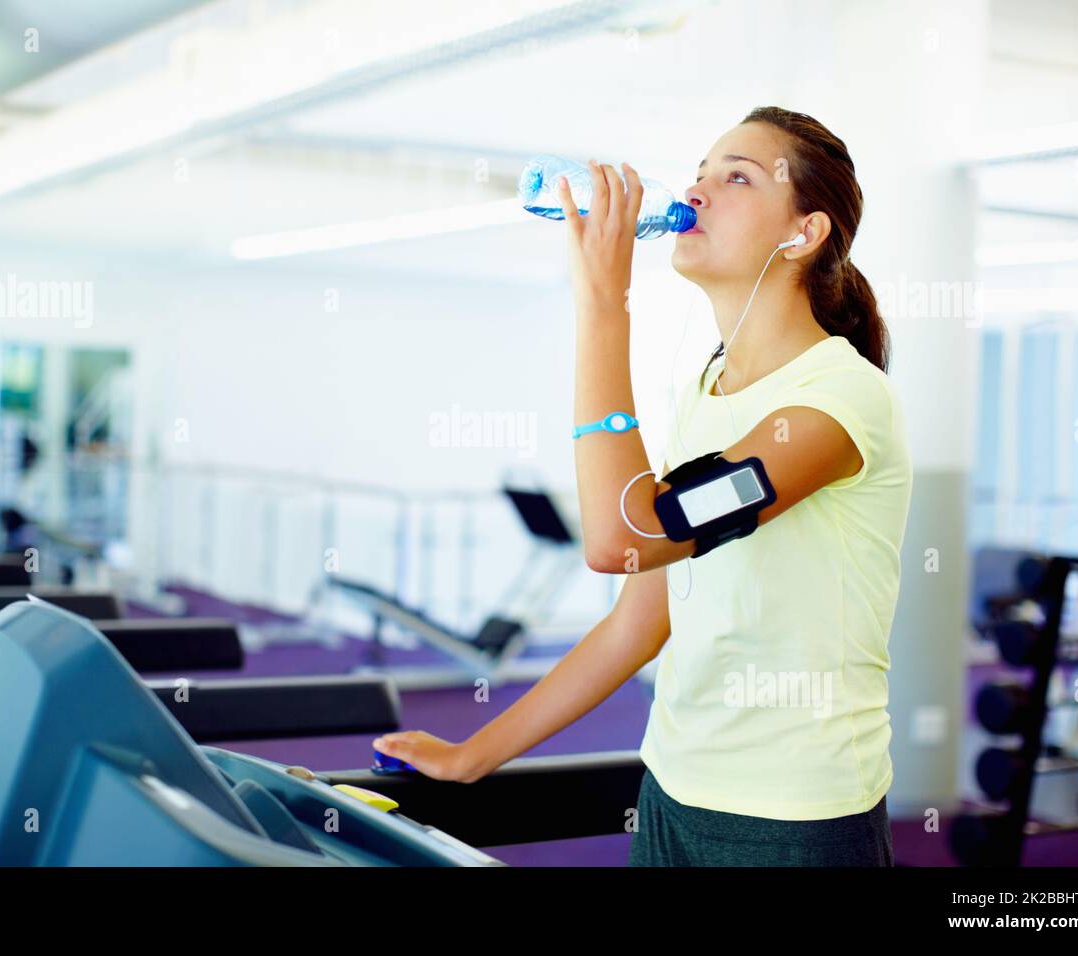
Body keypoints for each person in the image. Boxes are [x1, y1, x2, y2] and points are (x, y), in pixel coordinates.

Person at [372, 106, 913, 866]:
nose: (696, 192)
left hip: (794, 816)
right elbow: (640, 615)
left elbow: (623, 539)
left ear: (803, 233)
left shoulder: (836, 403)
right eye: (698, 173)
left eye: (736, 177)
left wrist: (601, 305)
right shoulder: (709, 388)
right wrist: (475, 753)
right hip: (671, 791)